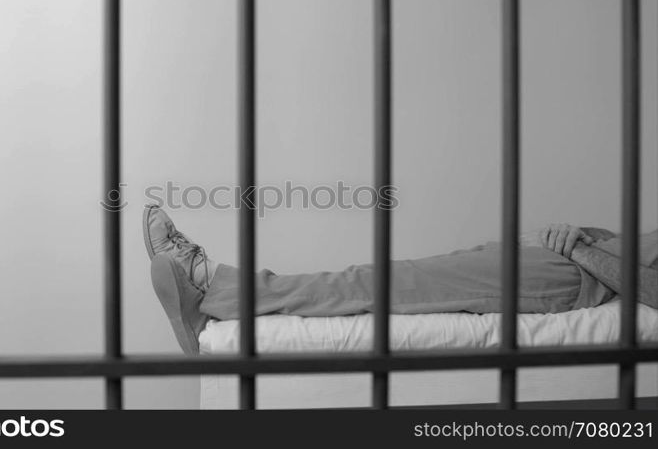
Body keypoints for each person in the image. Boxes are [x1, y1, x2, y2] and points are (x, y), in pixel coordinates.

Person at [142, 205, 658, 355]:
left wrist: (583, 250)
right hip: (558, 260)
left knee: (374, 284)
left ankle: (212, 282)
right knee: (386, 280)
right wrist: (576, 232)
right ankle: (210, 296)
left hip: (568, 280)